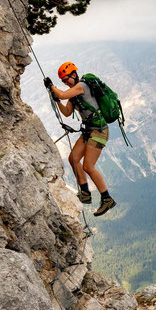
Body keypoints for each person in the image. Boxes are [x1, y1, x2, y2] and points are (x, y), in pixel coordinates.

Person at [44, 61, 116, 216]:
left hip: (99, 131)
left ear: (74, 74)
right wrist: (56, 100)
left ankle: (107, 198)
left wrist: (52, 88)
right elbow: (67, 112)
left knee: (88, 166)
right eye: (63, 81)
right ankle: (85, 193)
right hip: (89, 131)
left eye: (66, 79)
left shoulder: (81, 86)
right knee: (73, 159)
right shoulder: (74, 93)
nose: (65, 83)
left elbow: (62, 94)